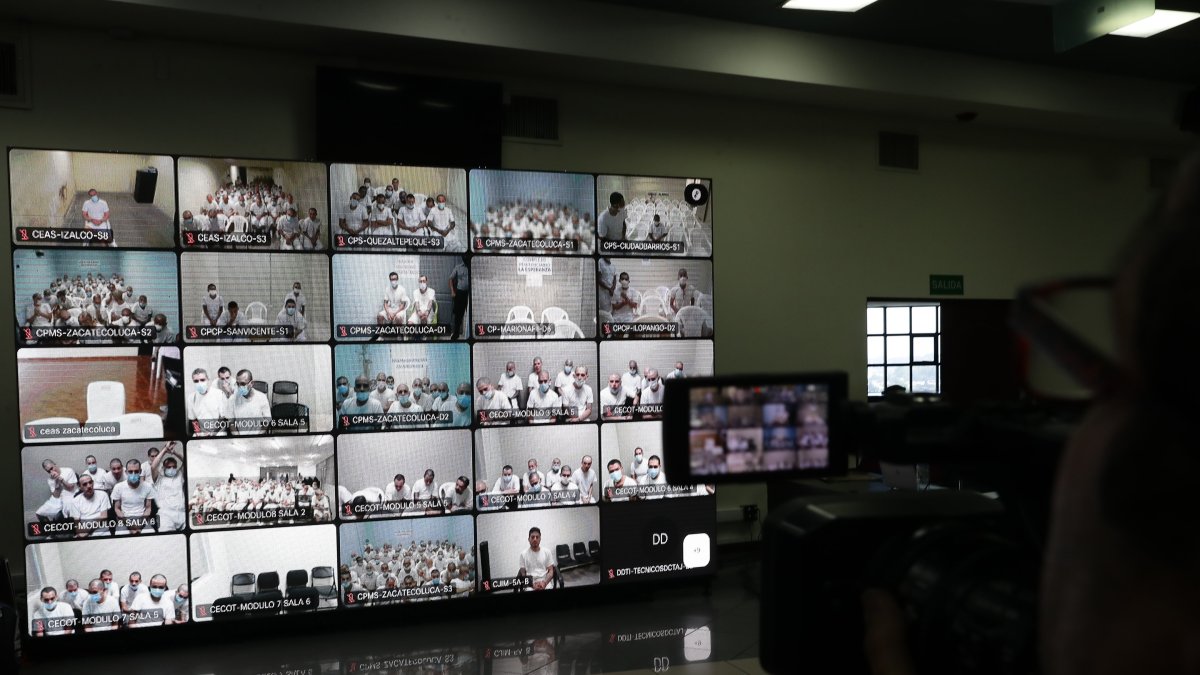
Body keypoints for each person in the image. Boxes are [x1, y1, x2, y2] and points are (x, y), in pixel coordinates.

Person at [111, 459, 156, 534]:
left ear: (140, 471)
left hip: (142, 518)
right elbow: (117, 509)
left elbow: (148, 508)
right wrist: (130, 525)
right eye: (130, 472)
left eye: (136, 471)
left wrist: (140, 525)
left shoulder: (148, 486)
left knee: (150, 533)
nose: (133, 474)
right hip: (124, 519)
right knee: (120, 535)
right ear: (126, 472)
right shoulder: (118, 487)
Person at [150, 442, 186, 531]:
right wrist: (165, 450)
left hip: (182, 514)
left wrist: (174, 452)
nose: (172, 469)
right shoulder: (158, 479)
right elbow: (153, 466)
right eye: (169, 467)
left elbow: (187, 461)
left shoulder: (179, 475)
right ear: (163, 468)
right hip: (165, 516)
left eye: (174, 467)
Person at [68, 473, 112, 538]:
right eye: (85, 484)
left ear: (93, 483)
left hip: (102, 532)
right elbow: (77, 524)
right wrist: (82, 533)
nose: (89, 486)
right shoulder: (75, 501)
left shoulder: (103, 495)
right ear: (79, 487)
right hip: (85, 535)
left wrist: (86, 530)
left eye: (90, 482)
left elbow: (103, 517)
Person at [35, 459, 77, 523]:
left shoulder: (68, 470)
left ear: (55, 464)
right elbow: (56, 496)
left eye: (52, 468)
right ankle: (50, 529)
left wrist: (61, 479)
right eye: (49, 471)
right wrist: (57, 482)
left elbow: (71, 488)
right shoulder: (50, 480)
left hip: (70, 495)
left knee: (69, 511)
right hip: (58, 499)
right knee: (39, 513)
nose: (51, 471)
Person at [231, 369, 272, 434]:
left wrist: (258, 436)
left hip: (258, 436)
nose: (239, 387)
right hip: (240, 438)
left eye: (242, 384)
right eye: (237, 384)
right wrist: (238, 437)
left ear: (251, 383)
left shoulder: (262, 397)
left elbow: (267, 421)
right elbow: (231, 422)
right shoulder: (233, 399)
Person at [188, 368, 227, 436]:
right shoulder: (191, 397)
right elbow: (193, 419)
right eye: (196, 381)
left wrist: (213, 433)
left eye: (202, 380)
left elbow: (223, 418)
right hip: (201, 432)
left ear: (208, 380)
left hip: (218, 431)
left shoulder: (219, 394)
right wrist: (198, 432)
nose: (199, 383)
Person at [448, 256, 470, 339]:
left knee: (469, 314)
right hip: (460, 293)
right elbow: (450, 279)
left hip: (469, 294)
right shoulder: (458, 267)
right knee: (458, 315)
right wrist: (453, 291)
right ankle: (456, 333)